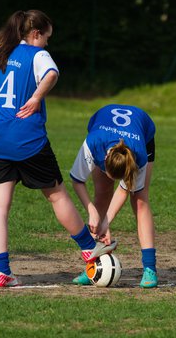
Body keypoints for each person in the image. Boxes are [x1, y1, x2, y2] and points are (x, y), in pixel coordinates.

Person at [0, 10, 115, 287]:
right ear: (35, 33)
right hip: (28, 140)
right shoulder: (35, 55)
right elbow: (52, 73)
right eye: (46, 38)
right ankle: (88, 247)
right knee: (57, 196)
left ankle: (2, 272)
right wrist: (36, 98)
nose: (47, 44)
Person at [70, 104, 158, 288]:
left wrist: (106, 222)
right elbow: (77, 181)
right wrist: (92, 211)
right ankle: (93, 266)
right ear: (103, 162)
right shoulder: (93, 143)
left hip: (141, 130)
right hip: (102, 124)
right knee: (102, 194)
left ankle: (150, 268)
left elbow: (124, 190)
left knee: (140, 200)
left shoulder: (138, 154)